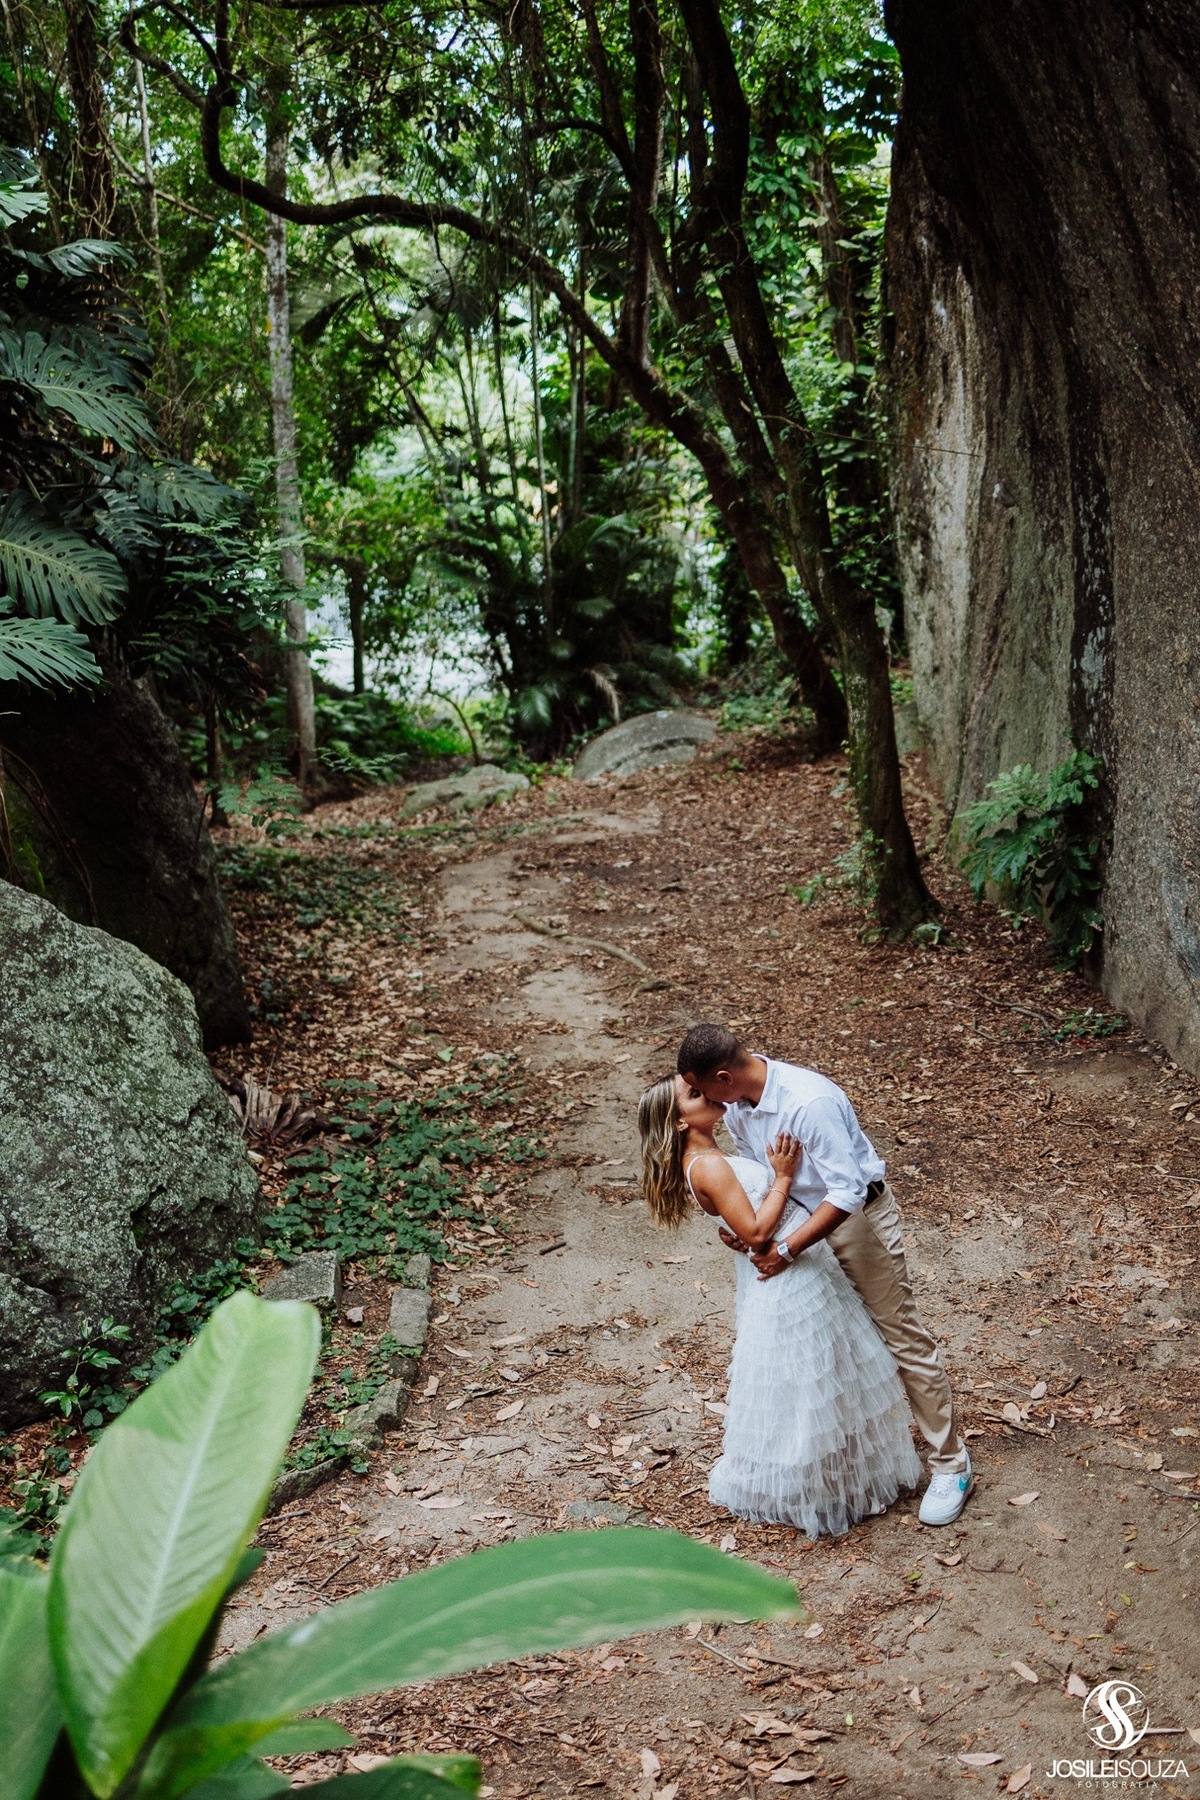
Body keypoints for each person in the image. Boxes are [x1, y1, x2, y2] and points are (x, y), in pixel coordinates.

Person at [676, 1023, 972, 1528]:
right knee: (836, 1346)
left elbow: (848, 1190)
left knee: (899, 1335)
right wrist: (749, 1231)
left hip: (855, 1224)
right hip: (793, 1223)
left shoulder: (807, 1103)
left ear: (723, 1077)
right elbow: (763, 1176)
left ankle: (952, 1464)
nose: (704, 1101)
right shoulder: (738, 1104)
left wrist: (786, 1248)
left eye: (701, 1090)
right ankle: (853, 1463)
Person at [638, 1073, 923, 1537]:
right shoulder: (706, 1165)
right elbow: (756, 1232)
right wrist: (785, 1177)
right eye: (693, 1095)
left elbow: (745, 1219)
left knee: (825, 1373)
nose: (707, 1094)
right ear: (678, 1122)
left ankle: (841, 1478)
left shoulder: (710, 1156)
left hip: (801, 1263)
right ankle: (814, 1491)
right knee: (807, 1381)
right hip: (787, 1275)